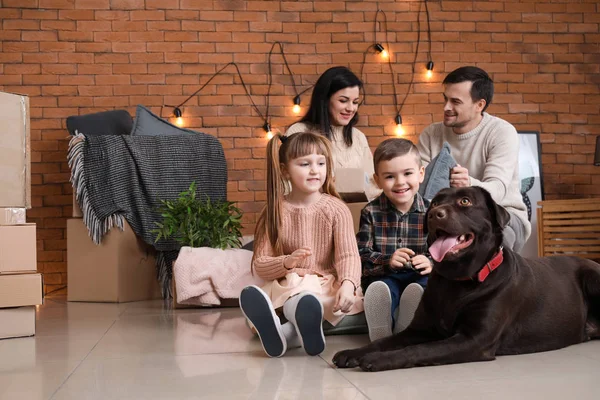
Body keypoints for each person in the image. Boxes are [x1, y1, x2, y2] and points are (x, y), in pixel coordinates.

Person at [239, 132, 363, 358]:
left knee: (310, 297)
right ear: (285, 170)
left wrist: (348, 284)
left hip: (325, 283)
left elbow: (348, 256)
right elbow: (260, 264)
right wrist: (287, 262)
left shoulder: (337, 209)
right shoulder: (275, 211)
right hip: (289, 282)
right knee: (294, 291)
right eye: (305, 164)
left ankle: (285, 330)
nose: (315, 170)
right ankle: (300, 318)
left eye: (321, 163)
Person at [417, 66, 530, 252]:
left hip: (502, 214)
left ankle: (493, 280)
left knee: (497, 237)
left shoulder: (501, 132)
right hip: (448, 216)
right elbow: (419, 185)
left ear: (479, 105)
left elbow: (498, 190)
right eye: (445, 99)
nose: (446, 107)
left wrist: (468, 184)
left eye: (455, 102)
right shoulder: (431, 134)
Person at [357, 138, 432, 342]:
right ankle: (382, 328)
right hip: (387, 274)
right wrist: (387, 260)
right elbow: (362, 254)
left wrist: (430, 261)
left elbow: (445, 251)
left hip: (420, 275)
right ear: (377, 180)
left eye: (408, 173)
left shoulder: (433, 211)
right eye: (390, 176)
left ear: (421, 174)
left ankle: (406, 325)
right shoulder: (370, 212)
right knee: (382, 287)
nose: (400, 182)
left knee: (423, 287)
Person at [285, 66, 381, 201]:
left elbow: (371, 186)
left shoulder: (358, 137)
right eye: (343, 101)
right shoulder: (299, 132)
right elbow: (286, 184)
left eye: (355, 102)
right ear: (325, 100)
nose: (351, 108)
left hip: (354, 216)